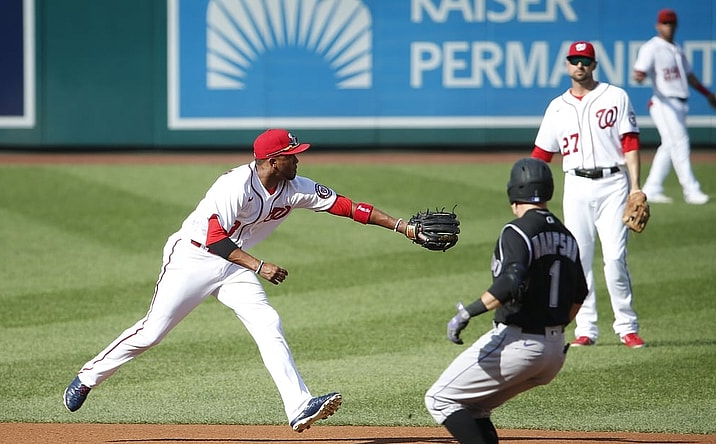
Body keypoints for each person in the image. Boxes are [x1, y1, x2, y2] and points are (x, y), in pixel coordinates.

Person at [63, 128, 419, 433]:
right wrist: (259, 265)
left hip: (235, 264)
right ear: (272, 161)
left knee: (268, 322)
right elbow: (216, 239)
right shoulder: (234, 185)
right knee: (153, 332)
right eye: (292, 156)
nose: (299, 161)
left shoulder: (296, 187)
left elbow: (348, 207)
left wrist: (403, 227)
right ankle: (88, 376)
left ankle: (299, 406)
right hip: (193, 257)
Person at [425, 157, 588, 444]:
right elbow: (579, 295)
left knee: (440, 399)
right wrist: (552, 329)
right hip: (554, 353)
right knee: (475, 408)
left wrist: (467, 312)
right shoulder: (567, 236)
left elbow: (509, 282)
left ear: (514, 192)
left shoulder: (517, 230)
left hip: (518, 344)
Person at [531, 41, 647, 349]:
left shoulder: (615, 96)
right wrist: (531, 196)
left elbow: (631, 143)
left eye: (585, 60)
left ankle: (626, 327)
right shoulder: (557, 106)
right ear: (567, 65)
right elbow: (541, 155)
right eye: (574, 60)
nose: (580, 65)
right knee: (578, 260)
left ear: (594, 65)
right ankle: (586, 327)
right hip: (577, 186)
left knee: (615, 258)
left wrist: (636, 187)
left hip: (614, 184)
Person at [633, 8, 715, 205]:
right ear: (658, 25)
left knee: (669, 146)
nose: (668, 27)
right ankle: (691, 190)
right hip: (664, 102)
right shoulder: (652, 47)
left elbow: (690, 76)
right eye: (664, 23)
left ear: (676, 25)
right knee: (680, 143)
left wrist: (707, 94)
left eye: (671, 23)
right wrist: (640, 75)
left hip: (679, 102)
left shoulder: (676, 49)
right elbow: (639, 71)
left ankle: (652, 187)